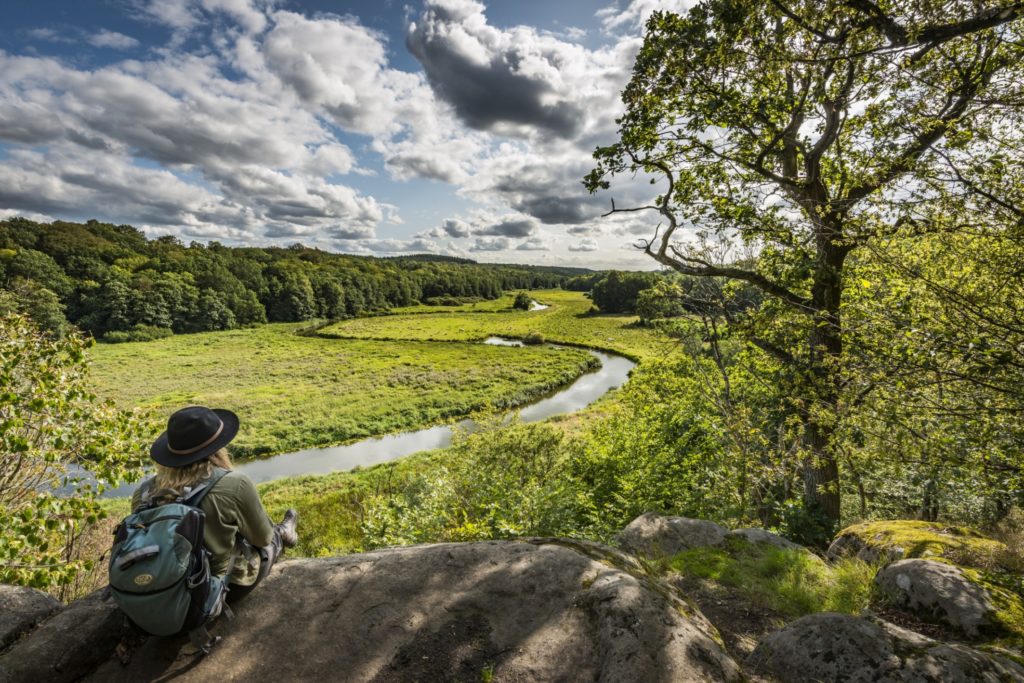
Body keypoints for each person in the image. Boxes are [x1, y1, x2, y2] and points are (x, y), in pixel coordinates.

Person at [132, 405, 298, 603]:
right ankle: (284, 532)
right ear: (216, 449)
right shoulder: (234, 484)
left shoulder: (143, 493)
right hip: (214, 592)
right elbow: (261, 539)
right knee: (271, 539)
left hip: (157, 593)